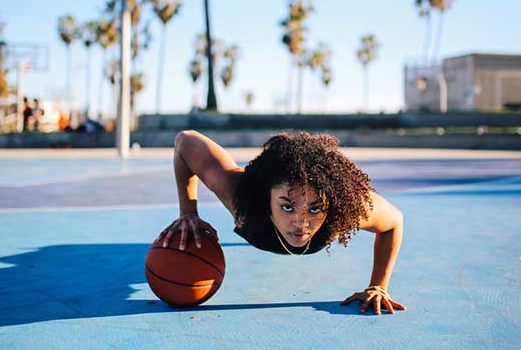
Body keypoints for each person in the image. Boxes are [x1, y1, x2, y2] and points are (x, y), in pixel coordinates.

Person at [160, 130, 406, 316]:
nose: (301, 222)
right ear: (265, 196)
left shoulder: (346, 209)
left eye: (315, 208)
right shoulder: (239, 196)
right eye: (287, 206)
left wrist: (378, 286)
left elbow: (394, 221)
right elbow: (185, 140)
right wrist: (188, 212)